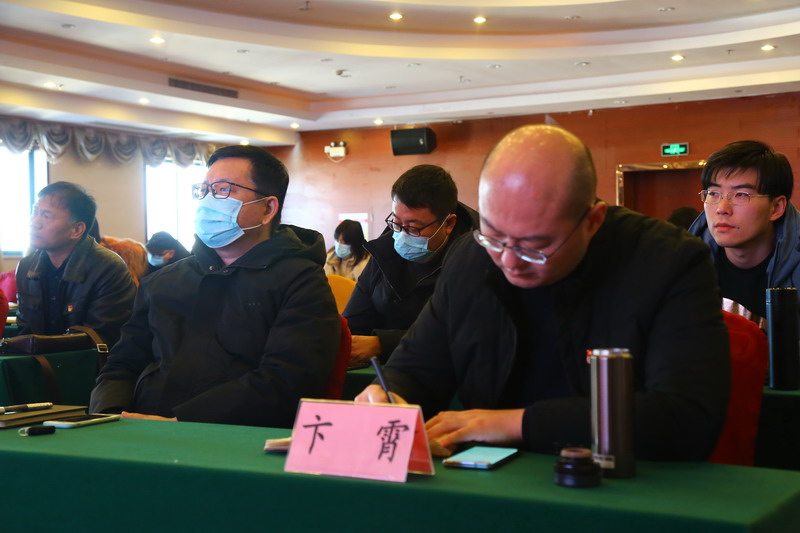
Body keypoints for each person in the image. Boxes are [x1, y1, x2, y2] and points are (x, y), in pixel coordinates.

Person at [357, 125, 730, 462]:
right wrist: (388, 394)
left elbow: (687, 417)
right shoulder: (470, 257)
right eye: (494, 236)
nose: (508, 261)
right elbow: (418, 367)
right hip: (489, 476)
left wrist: (515, 424)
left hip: (625, 480)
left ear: (593, 220)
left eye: (533, 246)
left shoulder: (669, 262)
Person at [90, 145, 340, 428]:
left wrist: (180, 422)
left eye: (223, 190)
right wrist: (109, 417)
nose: (209, 200)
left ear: (268, 208)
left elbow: (288, 379)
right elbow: (122, 364)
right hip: (137, 428)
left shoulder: (301, 282)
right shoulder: (164, 280)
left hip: (229, 434)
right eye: (204, 190)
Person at [343, 164, 478, 365]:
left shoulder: (473, 263)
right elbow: (354, 321)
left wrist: (383, 344)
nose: (402, 235)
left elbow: (463, 335)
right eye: (396, 223)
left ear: (448, 224)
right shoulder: (384, 253)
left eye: (413, 228)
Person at [15, 181, 136, 346]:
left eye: (46, 216)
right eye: (35, 211)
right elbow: (25, 331)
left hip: (91, 360)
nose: (35, 222)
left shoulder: (108, 267)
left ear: (77, 230)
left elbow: (101, 338)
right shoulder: (27, 267)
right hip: (39, 359)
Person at [689, 140, 798, 321]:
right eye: (713, 193)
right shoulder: (686, 264)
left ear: (776, 207)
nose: (722, 208)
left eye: (741, 195)